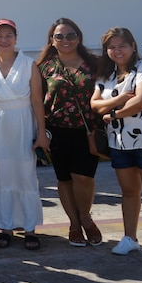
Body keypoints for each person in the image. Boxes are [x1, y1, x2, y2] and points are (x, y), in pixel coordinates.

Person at [90, 27, 142, 270]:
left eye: (122, 46)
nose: (117, 51)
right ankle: (130, 238)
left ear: (133, 46)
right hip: (119, 143)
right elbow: (95, 105)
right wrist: (117, 102)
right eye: (112, 47)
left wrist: (113, 114)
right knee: (128, 192)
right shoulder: (106, 76)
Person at [0, 19, 48, 250]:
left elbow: (37, 101)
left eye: (9, 35)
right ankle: (5, 226)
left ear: (16, 38)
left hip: (21, 122)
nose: (4, 39)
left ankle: (30, 229)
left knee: (24, 174)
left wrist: (41, 133)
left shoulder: (29, 65)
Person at [37, 18, 103, 247]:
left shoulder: (95, 64)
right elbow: (36, 102)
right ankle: (74, 223)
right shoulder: (44, 67)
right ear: (52, 41)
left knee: (84, 178)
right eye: (60, 36)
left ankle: (85, 217)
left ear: (79, 38)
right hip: (56, 130)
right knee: (64, 179)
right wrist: (40, 132)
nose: (66, 40)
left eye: (71, 35)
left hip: (87, 130)